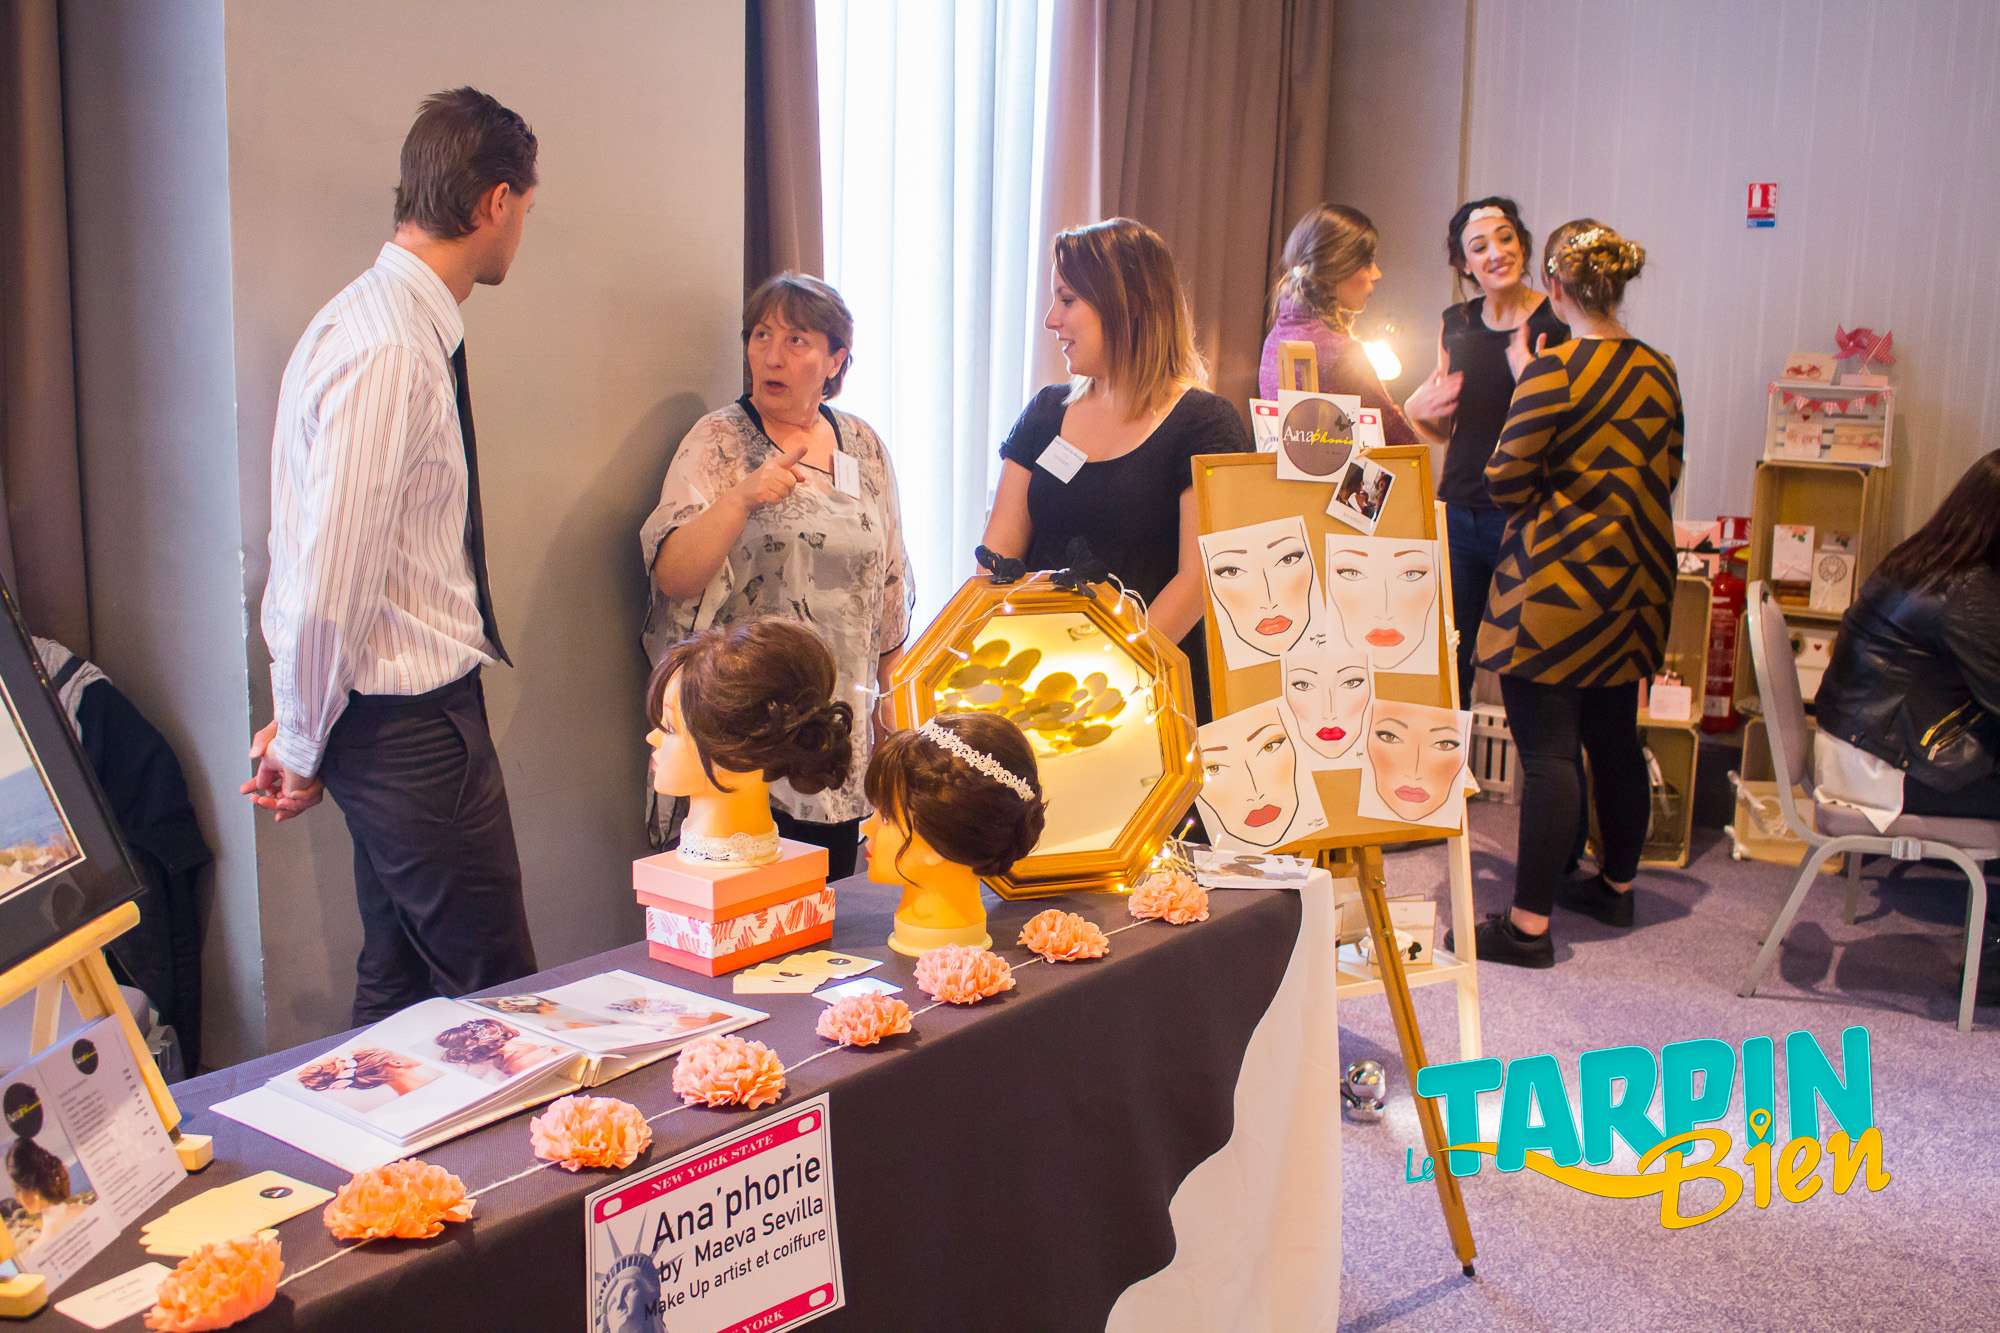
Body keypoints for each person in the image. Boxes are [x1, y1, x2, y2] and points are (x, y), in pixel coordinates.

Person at [245, 87, 541, 1024]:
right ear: (496, 201)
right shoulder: (392, 350)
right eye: (525, 210)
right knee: (499, 1001)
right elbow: (329, 582)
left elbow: (306, 554)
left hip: (379, 722)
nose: (520, 230)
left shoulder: (366, 320)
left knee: (400, 990)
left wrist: (305, 719)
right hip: (409, 729)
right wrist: (301, 738)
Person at [1458, 219, 1682, 968]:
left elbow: (1504, 479)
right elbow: (1668, 468)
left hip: (1555, 587)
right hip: (1637, 583)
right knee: (1615, 737)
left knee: (1549, 753)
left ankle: (1527, 928)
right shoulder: (1659, 369)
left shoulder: (1553, 371)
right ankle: (1615, 886)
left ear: (1554, 288)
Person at [641, 274, 911, 878]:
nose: (771, 355)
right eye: (761, 335)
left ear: (835, 360)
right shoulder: (719, 440)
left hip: (836, 726)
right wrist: (741, 499)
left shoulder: (863, 445)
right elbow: (674, 577)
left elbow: (889, 593)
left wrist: (893, 731)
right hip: (746, 735)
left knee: (829, 906)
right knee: (749, 903)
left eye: (796, 340)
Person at [984, 218, 1251, 721]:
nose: (1051, 320)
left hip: (1144, 695)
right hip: (1037, 684)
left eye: (1067, 300)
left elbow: (1197, 581)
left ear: (1125, 304)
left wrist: (1105, 678)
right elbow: (995, 560)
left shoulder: (1204, 422)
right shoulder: (1044, 412)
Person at [1812, 450, 2000, 1001]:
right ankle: (1992, 964)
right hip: (1883, 766)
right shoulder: (1967, 591)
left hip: (1863, 748)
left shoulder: (1928, 563)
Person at [1403, 197, 1571, 708]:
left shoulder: (1555, 321)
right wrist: (1414, 410)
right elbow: (1443, 425)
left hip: (1525, 514)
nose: (1496, 253)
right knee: (1450, 658)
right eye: (1479, 247)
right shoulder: (1456, 322)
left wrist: (1532, 384)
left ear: (1522, 244)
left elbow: (1566, 427)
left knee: (1526, 663)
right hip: (1458, 511)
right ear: (1464, 264)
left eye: (1505, 238)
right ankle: (1454, 760)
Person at [1257, 204, 1417, 444]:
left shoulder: (1275, 339)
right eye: (1368, 262)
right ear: (1338, 264)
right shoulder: (1341, 351)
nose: (1377, 274)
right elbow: (1399, 442)